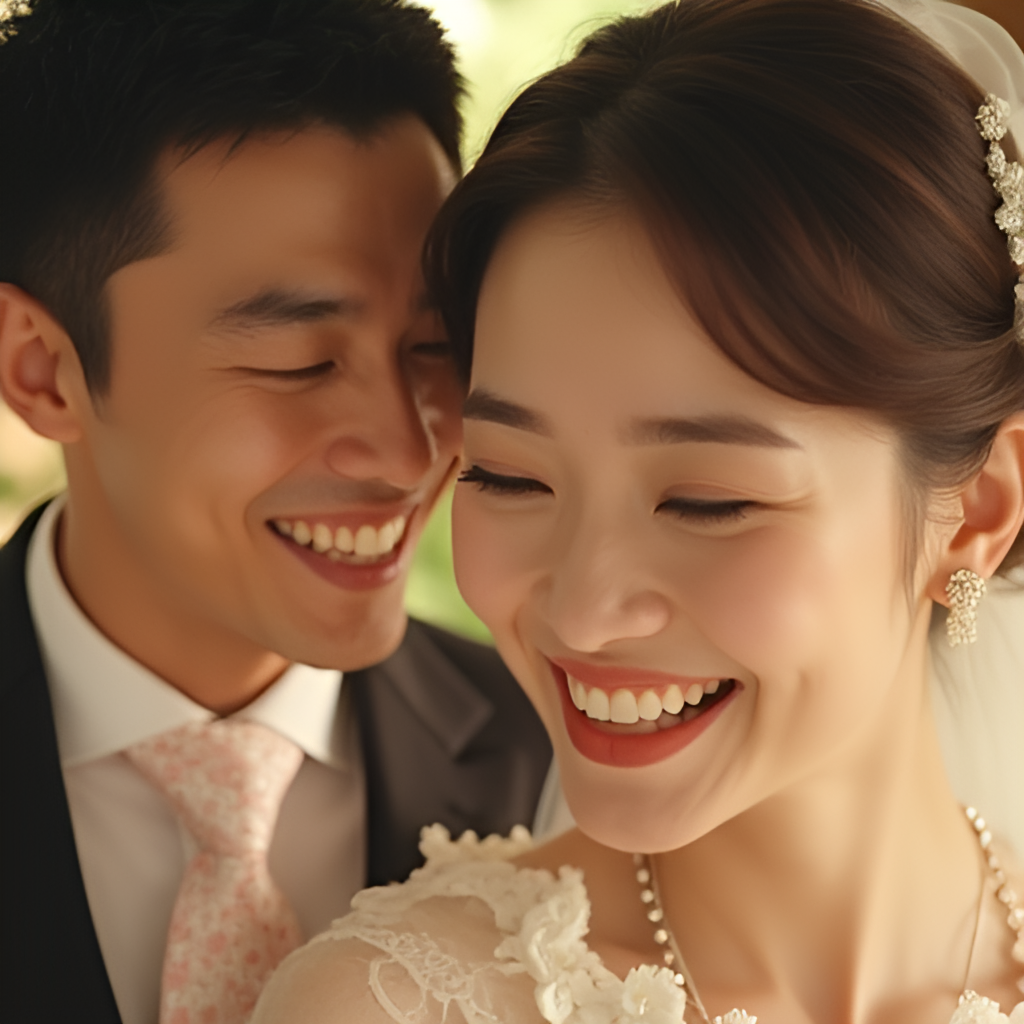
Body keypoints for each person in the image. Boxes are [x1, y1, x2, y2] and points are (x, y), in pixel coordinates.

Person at [254, 0, 1024, 1021]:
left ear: (974, 508)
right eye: (509, 477)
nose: (580, 612)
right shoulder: (393, 1004)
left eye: (705, 499)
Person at [0, 2, 551, 1022]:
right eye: (299, 362)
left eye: (434, 346)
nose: (410, 449)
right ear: (44, 370)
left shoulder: (558, 753)